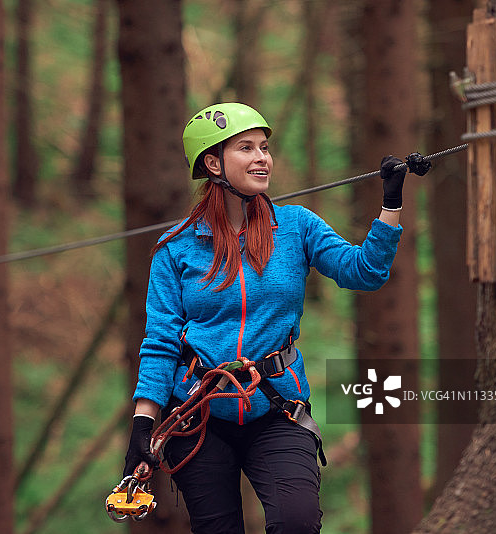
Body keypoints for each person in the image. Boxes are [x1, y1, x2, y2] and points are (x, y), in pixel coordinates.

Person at [123, 102, 409, 534]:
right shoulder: (175, 248)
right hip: (199, 412)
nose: (262, 157)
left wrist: (390, 203)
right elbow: (161, 343)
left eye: (265, 147)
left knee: (296, 523)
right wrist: (142, 426)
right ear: (213, 162)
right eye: (246, 148)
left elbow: (364, 271)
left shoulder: (296, 227)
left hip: (277, 408)